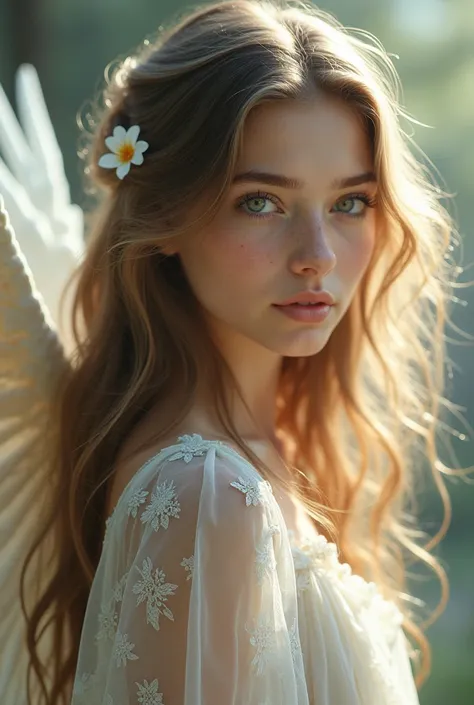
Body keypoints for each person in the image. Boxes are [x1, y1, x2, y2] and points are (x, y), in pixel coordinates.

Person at [0, 0, 467, 703]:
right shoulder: (207, 496)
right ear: (164, 218)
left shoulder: (256, 450)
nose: (317, 256)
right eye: (260, 201)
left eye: (350, 203)